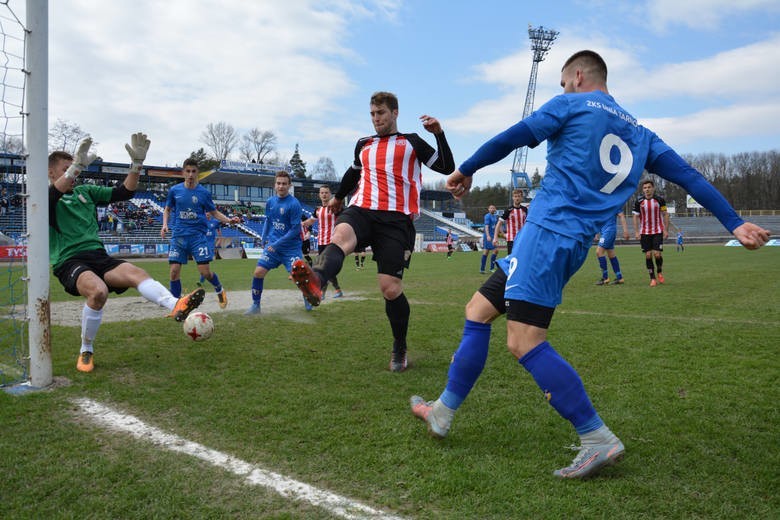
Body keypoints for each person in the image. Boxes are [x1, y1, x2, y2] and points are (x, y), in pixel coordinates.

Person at [409, 50, 770, 479]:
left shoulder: (570, 104)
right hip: (565, 242)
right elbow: (689, 175)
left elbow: (516, 135)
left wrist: (466, 169)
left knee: (524, 341)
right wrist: (734, 222)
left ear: (577, 76)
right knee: (478, 309)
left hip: (547, 235)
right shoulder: (640, 132)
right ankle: (443, 411)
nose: (562, 90)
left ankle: (595, 436)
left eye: (563, 83)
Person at [290, 91, 455, 372]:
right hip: (363, 209)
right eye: (372, 114)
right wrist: (340, 196)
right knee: (339, 238)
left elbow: (446, 166)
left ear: (394, 113)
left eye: (381, 113)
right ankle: (316, 282)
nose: (376, 119)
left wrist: (439, 134)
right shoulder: (363, 145)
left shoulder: (412, 142)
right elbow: (353, 173)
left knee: (389, 289)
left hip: (396, 220)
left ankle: (400, 346)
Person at [49, 134, 206, 373]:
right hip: (68, 260)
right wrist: (76, 167)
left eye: (75, 166)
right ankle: (85, 349)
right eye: (67, 168)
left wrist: (136, 166)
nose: (74, 173)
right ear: (51, 173)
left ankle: (177, 305)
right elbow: (51, 197)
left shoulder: (85, 192)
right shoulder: (44, 195)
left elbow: (125, 192)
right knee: (98, 292)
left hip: (97, 256)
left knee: (136, 272)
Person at [161, 158, 241, 307]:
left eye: (193, 171)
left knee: (205, 273)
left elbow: (215, 213)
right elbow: (167, 209)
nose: (190, 174)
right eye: (188, 171)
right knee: (173, 272)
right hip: (178, 236)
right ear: (183, 172)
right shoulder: (175, 191)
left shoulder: (203, 193)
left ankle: (219, 289)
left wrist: (229, 221)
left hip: (197, 237)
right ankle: (176, 305)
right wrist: (164, 224)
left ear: (197, 173)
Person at [245, 170, 310, 314]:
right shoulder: (270, 202)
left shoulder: (294, 204)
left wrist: (276, 244)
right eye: (279, 183)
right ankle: (256, 305)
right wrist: (263, 238)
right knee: (258, 272)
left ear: (289, 185)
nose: (281, 186)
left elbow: (294, 230)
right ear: (275, 185)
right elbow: (268, 221)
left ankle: (307, 297)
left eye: (284, 184)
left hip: (290, 248)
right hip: (273, 246)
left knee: (298, 277)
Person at [303, 185, 343, 298]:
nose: (324, 194)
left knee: (323, 267)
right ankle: (336, 290)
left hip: (332, 242)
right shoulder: (317, 210)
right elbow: (310, 221)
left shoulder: (335, 208)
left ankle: (322, 292)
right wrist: (302, 224)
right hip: (321, 242)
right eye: (322, 193)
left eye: (326, 192)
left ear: (330, 194)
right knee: (323, 267)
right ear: (319, 195)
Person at [632, 179, 669, 286]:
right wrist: (636, 232)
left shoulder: (660, 200)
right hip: (644, 232)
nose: (647, 189)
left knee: (657, 254)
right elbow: (635, 217)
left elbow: (665, 214)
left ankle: (659, 271)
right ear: (643, 190)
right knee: (648, 255)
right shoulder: (639, 201)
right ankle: (652, 278)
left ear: (653, 188)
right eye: (645, 188)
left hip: (657, 230)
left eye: (649, 187)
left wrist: (665, 230)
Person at [594, 210, 629, 285]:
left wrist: (625, 231)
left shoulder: (614, 203)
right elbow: (598, 220)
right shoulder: (601, 204)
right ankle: (619, 278)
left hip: (609, 231)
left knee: (599, 252)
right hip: (604, 232)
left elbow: (621, 215)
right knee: (611, 254)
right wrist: (596, 233)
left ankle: (605, 278)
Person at [494, 189, 528, 256]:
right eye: (515, 196)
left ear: (521, 198)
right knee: (512, 259)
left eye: (519, 196)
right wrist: (495, 237)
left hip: (522, 238)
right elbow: (498, 224)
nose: (517, 198)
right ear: (513, 198)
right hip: (511, 239)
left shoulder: (525, 209)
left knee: (522, 257)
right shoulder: (508, 210)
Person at [480, 205, 498, 273]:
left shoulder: (495, 216)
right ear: (488, 209)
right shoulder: (487, 216)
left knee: (486, 252)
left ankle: (482, 269)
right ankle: (491, 268)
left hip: (492, 235)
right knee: (495, 250)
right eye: (490, 208)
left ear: (495, 209)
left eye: (493, 208)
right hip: (488, 236)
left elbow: (495, 227)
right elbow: (486, 226)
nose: (492, 209)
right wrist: (487, 235)